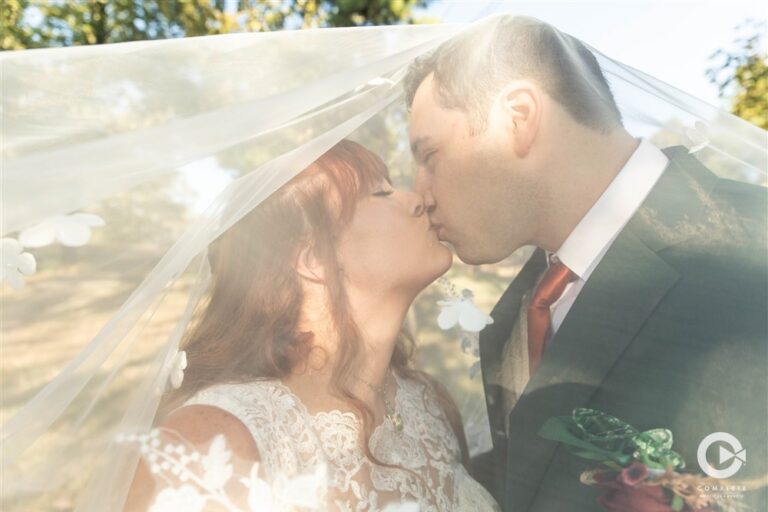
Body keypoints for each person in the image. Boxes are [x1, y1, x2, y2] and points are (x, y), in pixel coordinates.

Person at [404, 14, 767, 512]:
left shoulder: (752, 244)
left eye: (430, 155)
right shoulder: (514, 318)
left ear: (518, 117)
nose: (419, 193)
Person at [121, 139, 501, 512]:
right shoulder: (211, 445)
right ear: (314, 259)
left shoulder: (428, 403)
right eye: (380, 193)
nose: (418, 199)